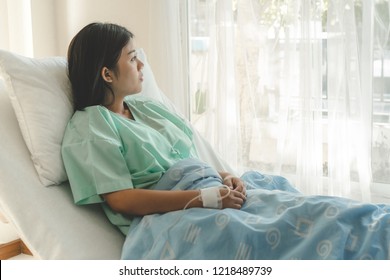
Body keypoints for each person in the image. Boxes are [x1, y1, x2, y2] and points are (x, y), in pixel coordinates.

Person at [62, 22, 246, 236]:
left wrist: (225, 177)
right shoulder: (91, 126)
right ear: (107, 75)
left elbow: (183, 163)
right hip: (175, 219)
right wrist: (206, 198)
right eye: (132, 58)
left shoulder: (148, 108)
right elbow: (121, 199)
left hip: (212, 193)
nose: (141, 65)